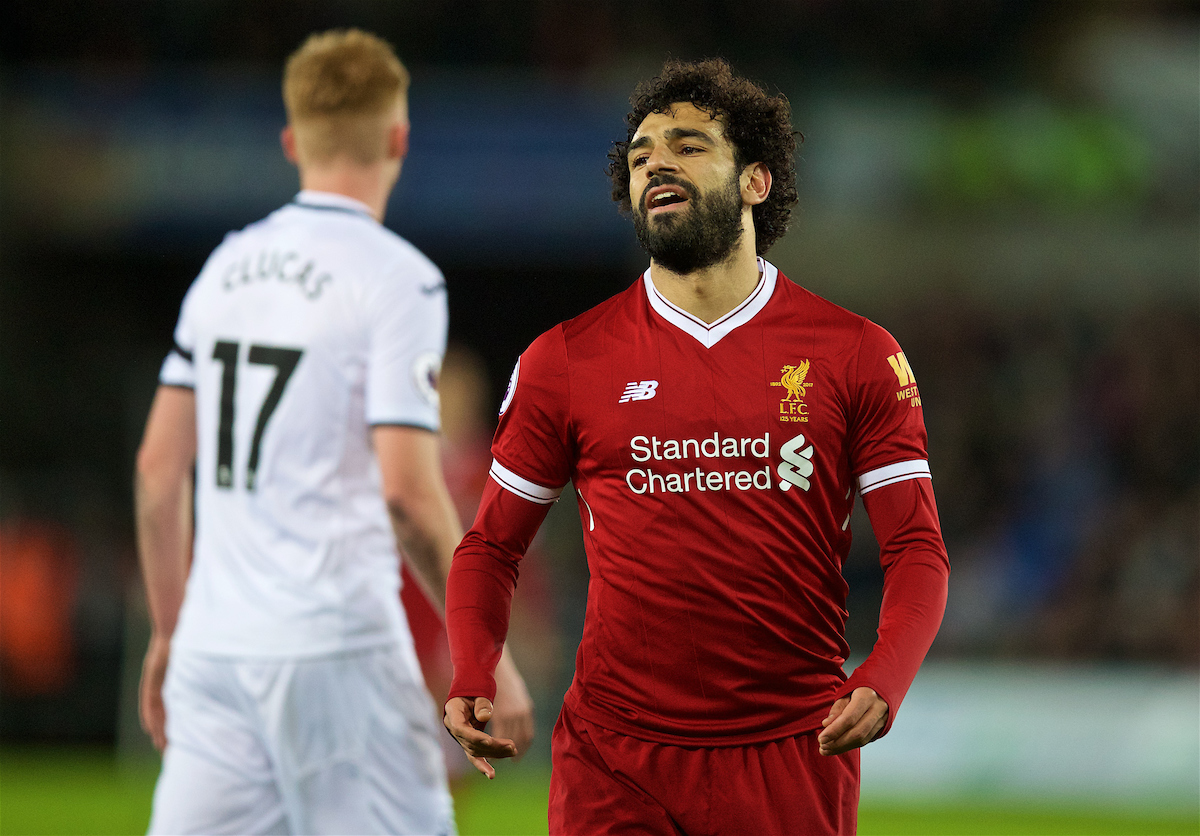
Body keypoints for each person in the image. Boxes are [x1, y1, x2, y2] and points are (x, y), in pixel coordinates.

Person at [443, 58, 950, 835]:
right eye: (642, 156)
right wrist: (474, 667)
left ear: (756, 180)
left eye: (687, 146)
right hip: (614, 756)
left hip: (790, 749)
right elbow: (489, 546)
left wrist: (885, 676)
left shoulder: (855, 353)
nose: (657, 165)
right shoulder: (567, 360)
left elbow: (915, 547)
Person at [135, 29, 532, 835]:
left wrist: (171, 631)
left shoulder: (223, 268)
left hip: (214, 651)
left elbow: (156, 471)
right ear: (398, 139)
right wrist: (491, 660)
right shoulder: (397, 278)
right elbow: (406, 494)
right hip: (335, 647)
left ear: (291, 142)